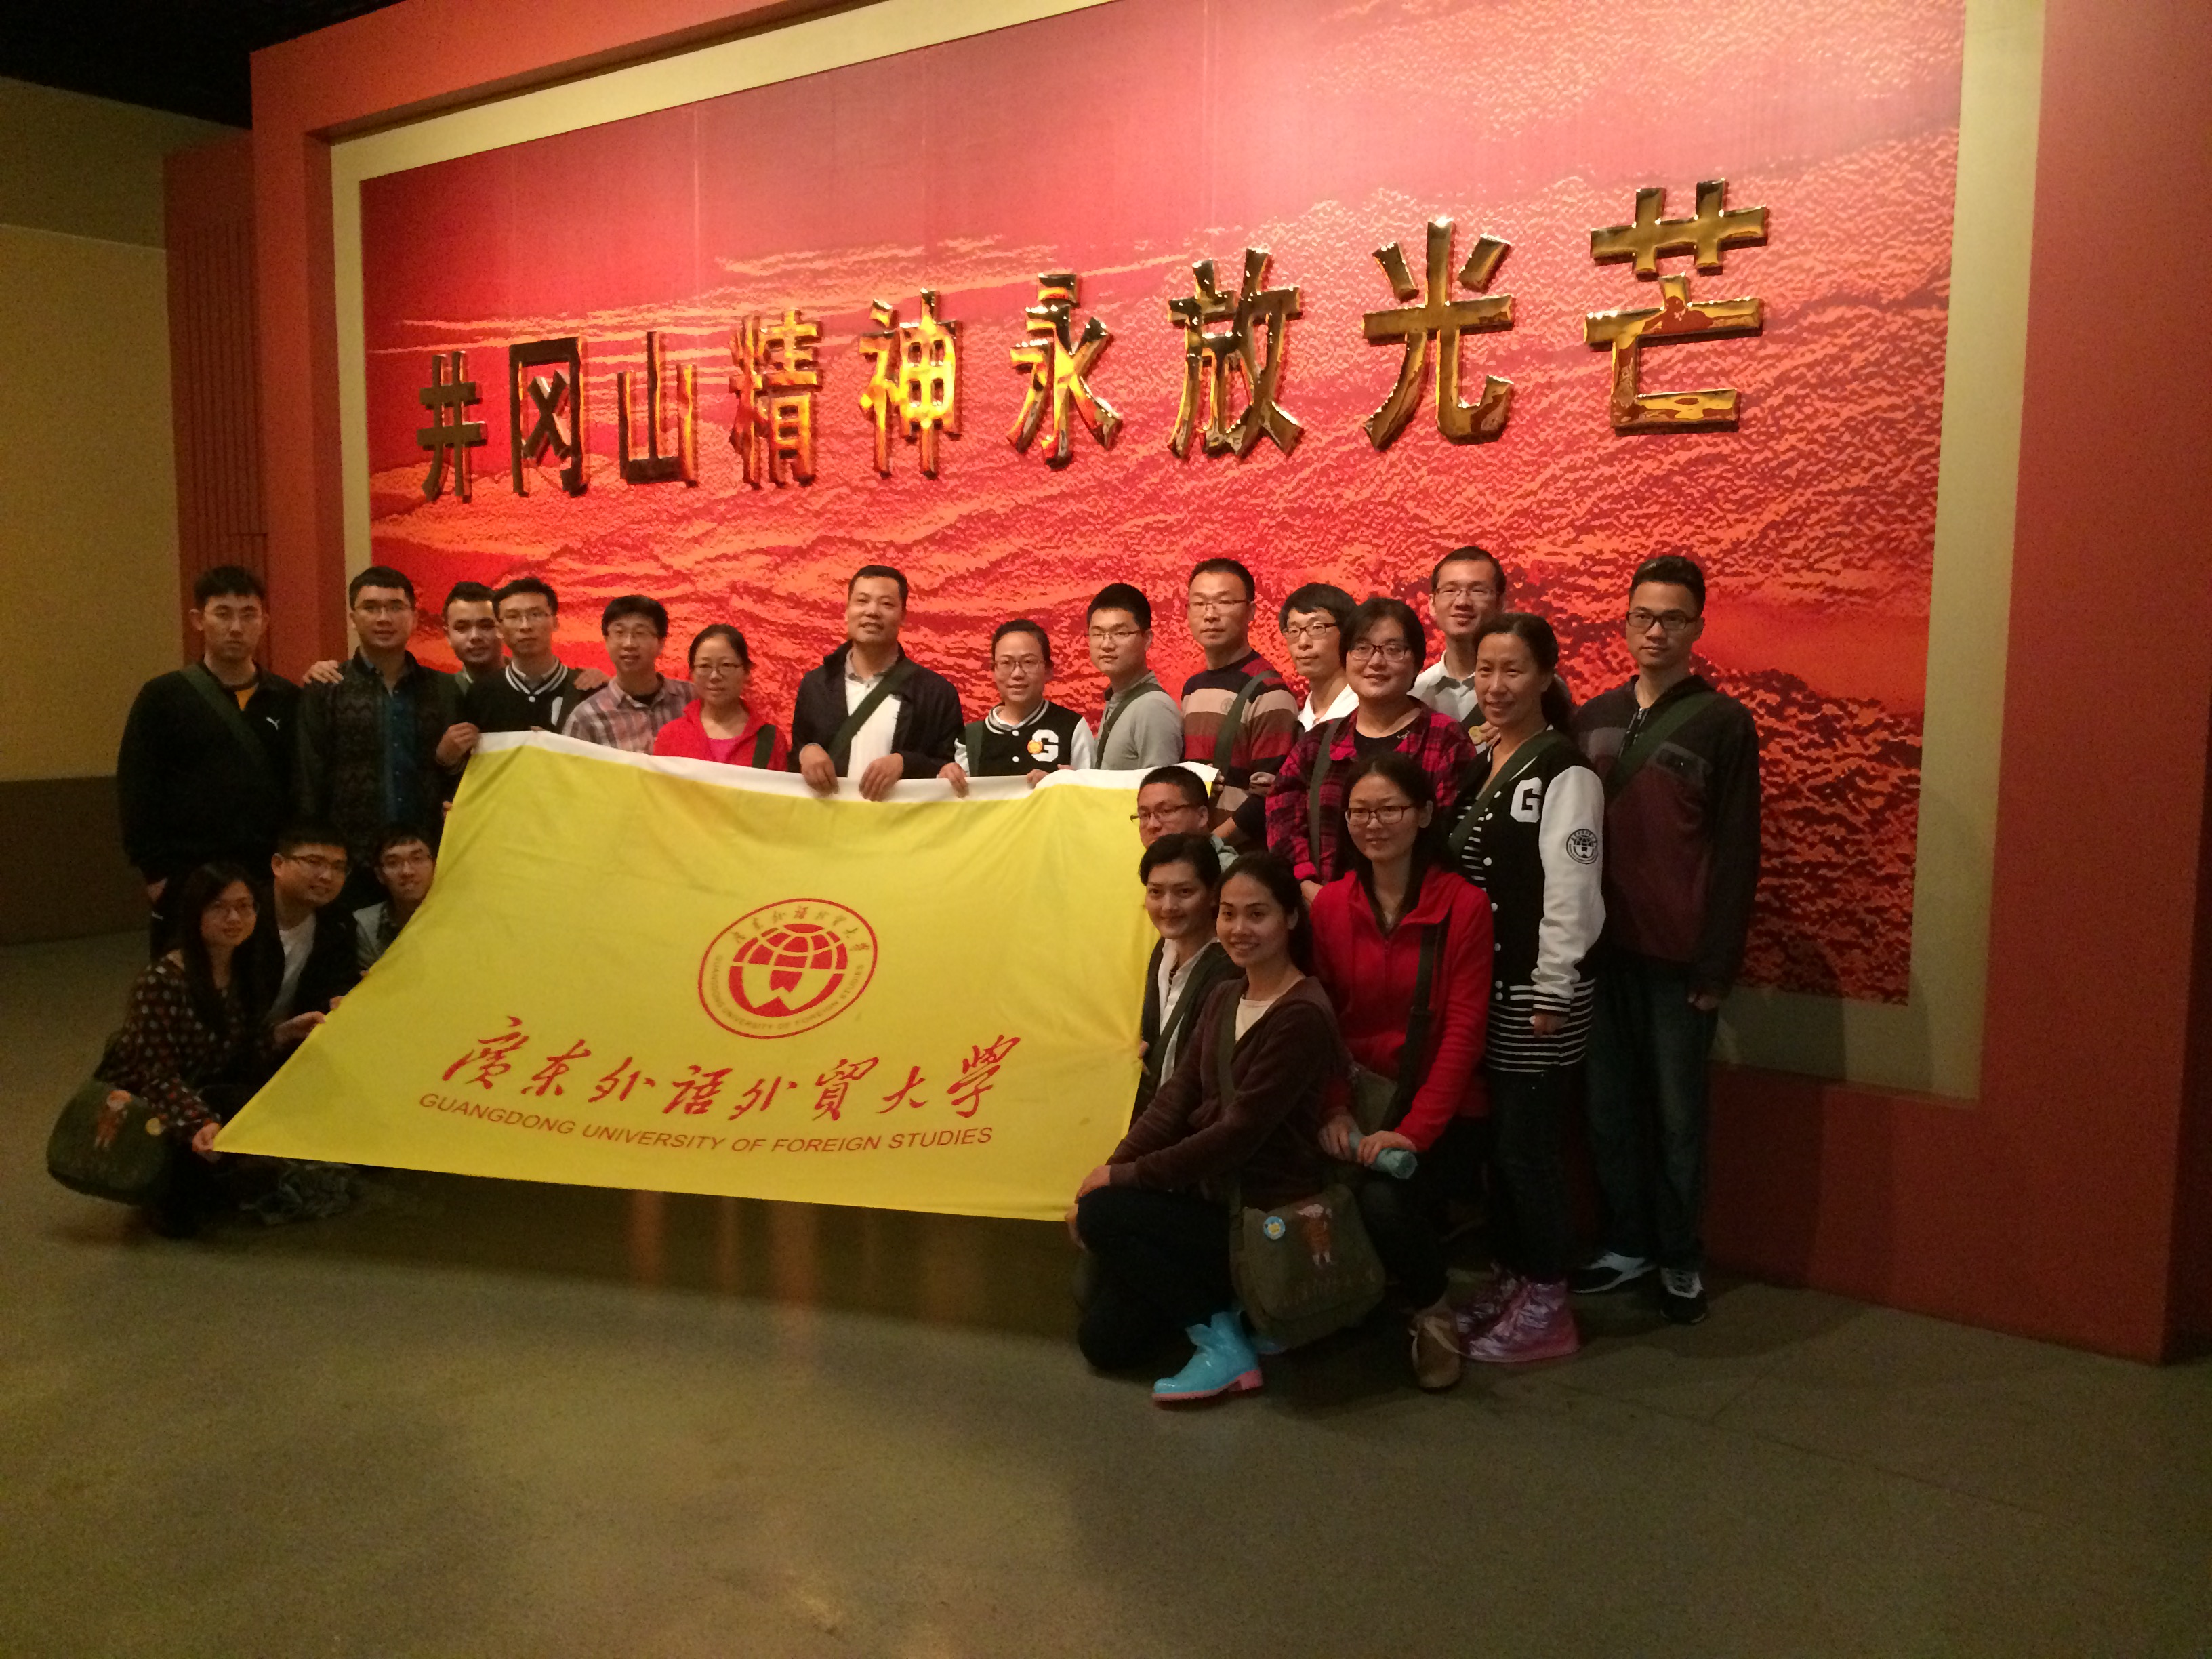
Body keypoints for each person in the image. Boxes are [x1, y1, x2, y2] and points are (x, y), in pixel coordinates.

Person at [1070, 853, 1340, 1404]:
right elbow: (1176, 1099)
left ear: (1291, 918)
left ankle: (1224, 1347)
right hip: (1208, 1204)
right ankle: (1230, 1310)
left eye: (1257, 914)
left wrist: (1124, 1181)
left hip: (1257, 1216)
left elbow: (1236, 1135)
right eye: (1229, 913)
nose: (1239, 929)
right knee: (1104, 1342)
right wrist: (1110, 1168)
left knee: (1105, 1215)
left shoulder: (1302, 1014)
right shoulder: (1224, 996)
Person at [1569, 555, 1761, 1327]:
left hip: (1679, 960)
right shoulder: (1592, 716)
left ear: (1697, 628)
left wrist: (1718, 963)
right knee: (1607, 1109)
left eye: (1673, 619)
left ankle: (1680, 1253)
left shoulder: (1724, 724)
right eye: (1643, 617)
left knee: (1681, 1120)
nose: (1656, 632)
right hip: (1597, 951)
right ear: (1624, 623)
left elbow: (1738, 851)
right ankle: (1627, 1241)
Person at [1441, 611, 1605, 1364]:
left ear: (1545, 677)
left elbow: (1574, 887)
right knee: (1500, 1150)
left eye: (1513, 670)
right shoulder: (1481, 755)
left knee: (1529, 1151)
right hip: (1485, 985)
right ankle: (1513, 1281)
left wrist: (1553, 986)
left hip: (1536, 993)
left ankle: (1548, 1305)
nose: (1496, 685)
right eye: (1485, 670)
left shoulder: (1565, 771)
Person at [1311, 752, 1495, 1389]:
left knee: (1385, 1199)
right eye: (1359, 811)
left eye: (1389, 809)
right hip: (1357, 1098)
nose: (1373, 823)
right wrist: (1334, 1105)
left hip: (1444, 1111)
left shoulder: (1464, 906)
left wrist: (1413, 1133)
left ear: (1423, 815)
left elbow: (1464, 1032)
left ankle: (1433, 1311)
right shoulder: (1331, 906)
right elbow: (1324, 1021)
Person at [93, 863, 326, 1237]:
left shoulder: (243, 967)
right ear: (195, 913)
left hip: (208, 1085)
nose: (234, 918)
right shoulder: (161, 981)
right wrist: (199, 1120)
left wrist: (285, 1032)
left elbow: (239, 1047)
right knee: (185, 1220)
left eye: (245, 907)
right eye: (219, 907)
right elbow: (155, 1075)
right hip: (156, 1099)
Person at [117, 565, 300, 956]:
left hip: (263, 875)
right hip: (187, 876)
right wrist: (157, 876)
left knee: (260, 978)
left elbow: (298, 787)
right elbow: (137, 788)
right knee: (187, 980)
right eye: (223, 614)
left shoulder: (287, 699)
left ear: (264, 622)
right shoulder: (163, 698)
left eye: (248, 615)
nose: (236, 627)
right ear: (198, 620)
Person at [1267, 596, 1473, 898]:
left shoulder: (1445, 740)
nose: (1376, 662)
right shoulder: (1317, 743)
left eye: (1393, 649)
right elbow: (1281, 818)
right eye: (1362, 648)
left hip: (1416, 911)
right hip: (1322, 910)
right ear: (1345, 658)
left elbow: (1450, 835)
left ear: (1417, 662)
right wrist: (1308, 887)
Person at [295, 565, 465, 901]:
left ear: (414, 617)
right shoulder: (326, 688)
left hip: (428, 860)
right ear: (352, 618)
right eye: (371, 608)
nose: (384, 618)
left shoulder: (444, 690)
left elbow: (460, 774)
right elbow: (308, 779)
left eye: (395, 607)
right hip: (348, 863)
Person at [790, 565, 963, 800]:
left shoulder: (936, 694)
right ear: (846, 611)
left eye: (886, 604)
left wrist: (906, 763)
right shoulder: (816, 685)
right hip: (829, 820)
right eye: (862, 601)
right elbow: (795, 756)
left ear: (903, 616)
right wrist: (806, 753)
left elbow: (951, 770)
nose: (872, 611)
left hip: (903, 821)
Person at [1178, 558, 1300, 846]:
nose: (1210, 614)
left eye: (1224, 602)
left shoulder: (1268, 692)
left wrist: (1210, 847)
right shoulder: (1192, 689)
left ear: (1251, 611)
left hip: (1240, 858)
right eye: (1200, 603)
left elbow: (1269, 799)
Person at [1133, 832, 1237, 1120]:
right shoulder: (1162, 951)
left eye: (1184, 892)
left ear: (1213, 894)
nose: (1168, 906)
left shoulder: (1230, 970)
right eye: (1156, 892)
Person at [941, 621, 1094, 792]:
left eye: (1028, 662)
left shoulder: (1072, 728)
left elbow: (1092, 795)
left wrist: (1063, 786)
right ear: (993, 670)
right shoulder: (971, 739)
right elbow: (961, 801)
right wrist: (944, 781)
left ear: (1048, 670)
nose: (1017, 674)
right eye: (1006, 663)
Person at [460, 577, 592, 735]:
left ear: (555, 622)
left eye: (536, 614)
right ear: (499, 629)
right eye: (513, 617)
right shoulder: (481, 693)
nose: (525, 626)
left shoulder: (587, 689)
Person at [259, 823, 363, 1021]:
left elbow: (337, 985)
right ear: (278, 864)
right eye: (314, 862)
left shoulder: (338, 922)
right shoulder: (244, 913)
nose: (327, 876)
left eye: (339, 867)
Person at [562, 595, 693, 751]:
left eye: (640, 633)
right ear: (607, 640)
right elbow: (567, 766)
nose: (629, 643)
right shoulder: (587, 718)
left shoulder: (692, 698)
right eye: (619, 632)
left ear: (661, 643)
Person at [653, 624, 789, 768]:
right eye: (705, 666)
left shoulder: (770, 740)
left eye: (726, 665)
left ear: (746, 671)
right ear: (692, 673)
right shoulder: (671, 736)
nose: (715, 676)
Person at [1086, 583, 1184, 769]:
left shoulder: (1152, 708)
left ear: (1147, 639)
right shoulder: (1119, 698)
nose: (1107, 644)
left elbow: (1161, 787)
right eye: (1097, 633)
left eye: (1120, 633)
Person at [1413, 546, 1509, 731]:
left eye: (1478, 591)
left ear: (1500, 603)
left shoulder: (1526, 692)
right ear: (1432, 604)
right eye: (1450, 590)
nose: (1462, 602)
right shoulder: (1415, 693)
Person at [1279, 581, 1358, 729]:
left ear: (1348, 633)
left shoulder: (1367, 715)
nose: (1303, 642)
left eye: (1317, 628)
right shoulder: (1293, 724)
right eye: (1294, 631)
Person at [354, 826, 435, 970]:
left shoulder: (461, 913)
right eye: (393, 863)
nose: (407, 871)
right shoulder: (366, 925)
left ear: (435, 865)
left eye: (417, 859)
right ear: (380, 875)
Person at [1133, 765, 1236, 872]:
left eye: (1165, 811)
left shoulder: (1229, 875)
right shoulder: (1154, 869)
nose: (1152, 825)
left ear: (1202, 816)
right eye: (1144, 815)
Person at [441, 581, 503, 691]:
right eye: (462, 627)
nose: (475, 636)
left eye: (486, 626)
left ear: (503, 629)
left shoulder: (532, 682)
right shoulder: (440, 696)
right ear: (448, 635)